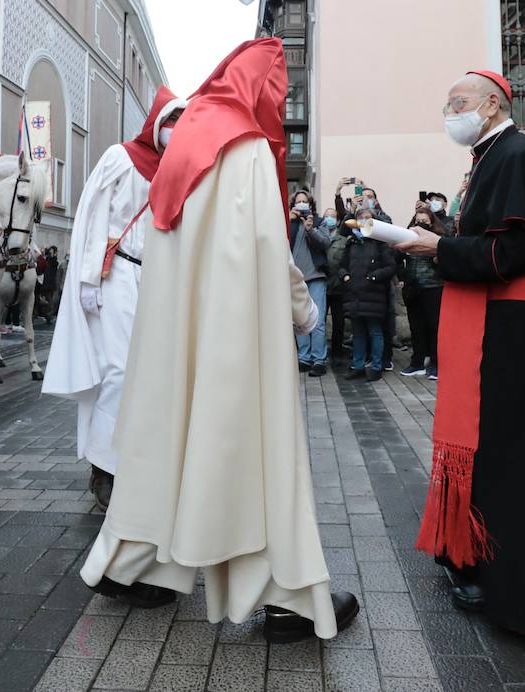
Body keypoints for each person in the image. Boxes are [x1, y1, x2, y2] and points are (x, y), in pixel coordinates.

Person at [79, 38, 359, 642]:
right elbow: (266, 247)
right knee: (256, 454)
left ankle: (132, 566)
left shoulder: (183, 144)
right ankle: (288, 598)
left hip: (174, 337)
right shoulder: (247, 146)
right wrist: (305, 313)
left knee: (167, 445)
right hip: (235, 333)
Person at [397, 69, 525, 639]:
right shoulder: (493, 154)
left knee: (513, 452)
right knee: (492, 447)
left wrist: (439, 245)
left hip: (512, 326)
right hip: (498, 321)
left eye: (457, 102)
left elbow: (512, 252)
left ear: (492, 104)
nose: (450, 112)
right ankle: (477, 560)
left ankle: (517, 584)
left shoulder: (519, 154)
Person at [44, 87, 187, 510]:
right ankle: (104, 468)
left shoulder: (178, 169)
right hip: (118, 273)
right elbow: (93, 215)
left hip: (158, 280)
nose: (177, 129)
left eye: (184, 122)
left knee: (151, 374)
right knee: (118, 370)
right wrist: (88, 279)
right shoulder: (120, 157)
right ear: (157, 122)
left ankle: (137, 460)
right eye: (173, 120)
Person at [340, 206, 394, 382]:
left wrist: (373, 277)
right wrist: (345, 277)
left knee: (375, 332)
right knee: (358, 333)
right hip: (354, 294)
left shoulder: (379, 243)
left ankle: (376, 367)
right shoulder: (352, 242)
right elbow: (342, 265)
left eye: (367, 217)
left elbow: (390, 267)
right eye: (360, 217)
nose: (364, 219)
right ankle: (358, 366)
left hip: (373, 295)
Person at [399, 198, 446, 379]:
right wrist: (403, 276)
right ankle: (417, 362)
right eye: (418, 218)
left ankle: (435, 363)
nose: (421, 221)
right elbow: (395, 258)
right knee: (416, 327)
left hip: (433, 287)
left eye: (425, 218)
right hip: (413, 288)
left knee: (434, 327)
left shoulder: (438, 237)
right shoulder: (407, 236)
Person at [290, 189, 331, 376]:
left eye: (304, 201)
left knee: (318, 321)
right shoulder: (288, 223)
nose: (301, 204)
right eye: (298, 201)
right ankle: (303, 358)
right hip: (295, 278)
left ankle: (319, 360)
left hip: (316, 277)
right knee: (300, 320)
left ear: (310, 204)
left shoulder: (319, 221)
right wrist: (290, 221)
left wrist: (310, 229)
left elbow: (326, 242)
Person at [324, 206, 351, 365]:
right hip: (321, 285)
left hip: (338, 286)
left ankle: (337, 351)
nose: (330, 219)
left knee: (339, 322)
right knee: (319, 321)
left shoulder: (343, 239)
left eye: (333, 217)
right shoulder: (317, 234)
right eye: (327, 216)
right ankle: (320, 351)